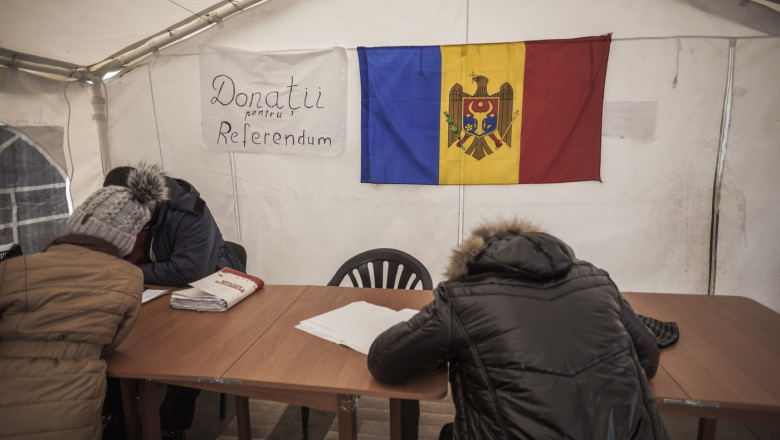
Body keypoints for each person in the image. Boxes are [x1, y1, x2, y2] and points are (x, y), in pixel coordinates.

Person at [367, 219, 668, 440]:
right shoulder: (597, 282)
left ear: (473, 260)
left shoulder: (463, 297)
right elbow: (648, 361)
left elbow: (384, 363)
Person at [0, 169, 166, 440]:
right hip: (72, 402)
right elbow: (111, 341)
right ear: (127, 238)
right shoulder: (129, 278)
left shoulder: (15, 268)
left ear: (77, 220)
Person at [102, 163, 244, 439]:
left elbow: (189, 270)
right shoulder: (111, 210)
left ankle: (169, 424)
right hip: (146, 291)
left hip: (202, 289)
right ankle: (116, 414)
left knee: (193, 349)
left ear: (152, 198)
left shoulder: (189, 211)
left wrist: (123, 272)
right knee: (109, 336)